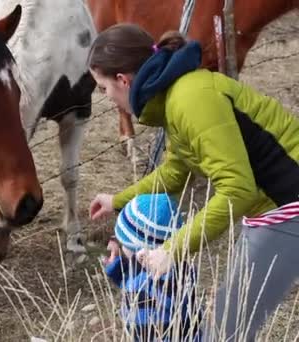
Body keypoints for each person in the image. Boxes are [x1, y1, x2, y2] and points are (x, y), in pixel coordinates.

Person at [86, 23, 299, 341]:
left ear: (122, 80)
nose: (108, 98)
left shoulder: (189, 98)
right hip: (272, 204)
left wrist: (173, 249)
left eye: (103, 88)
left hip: (288, 204)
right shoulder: (176, 98)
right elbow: (175, 172)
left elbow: (237, 188)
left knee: (230, 327)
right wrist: (118, 200)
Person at [102, 193, 201, 341]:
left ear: (140, 249)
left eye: (124, 242)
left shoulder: (168, 276)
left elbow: (141, 287)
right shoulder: (144, 267)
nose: (122, 246)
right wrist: (116, 266)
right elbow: (130, 282)